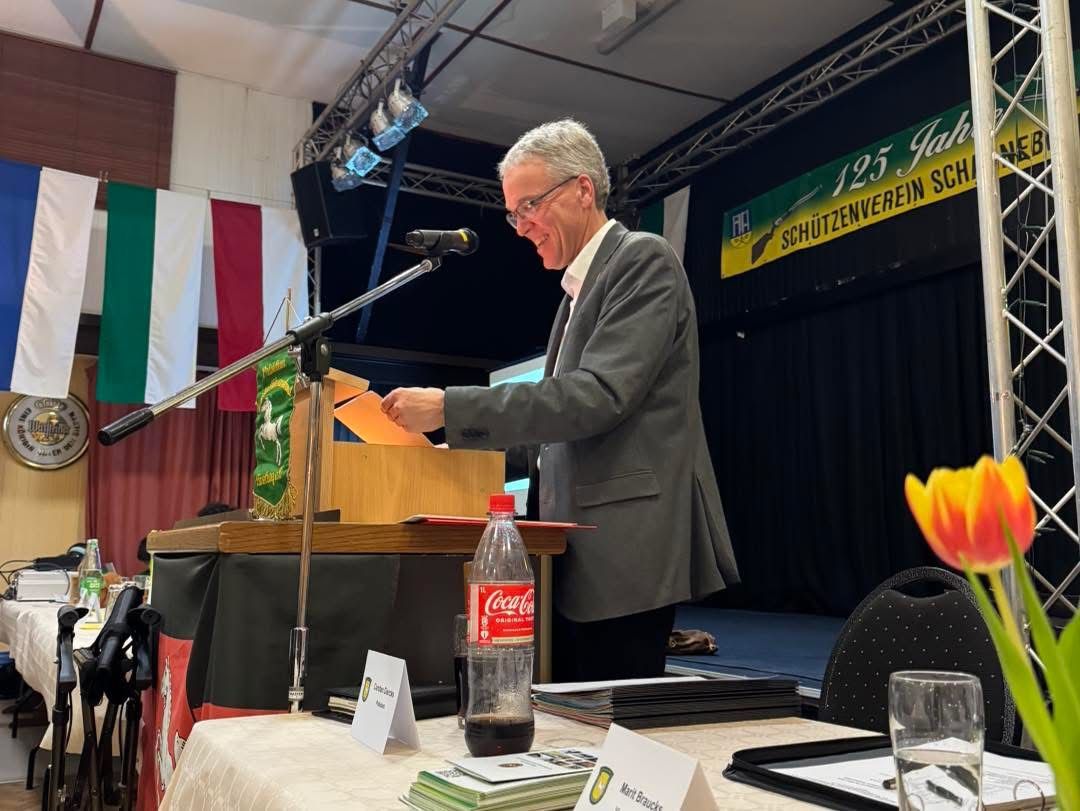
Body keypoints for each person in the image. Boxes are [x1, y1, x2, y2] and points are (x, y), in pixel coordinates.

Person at [381, 119, 738, 681]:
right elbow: (553, 440)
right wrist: (449, 455)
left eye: (530, 206)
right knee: (567, 713)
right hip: (571, 553)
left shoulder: (643, 260)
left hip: (625, 550)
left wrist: (452, 408)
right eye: (513, 214)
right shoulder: (575, 294)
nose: (521, 226)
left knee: (607, 717)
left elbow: (597, 396)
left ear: (582, 190)